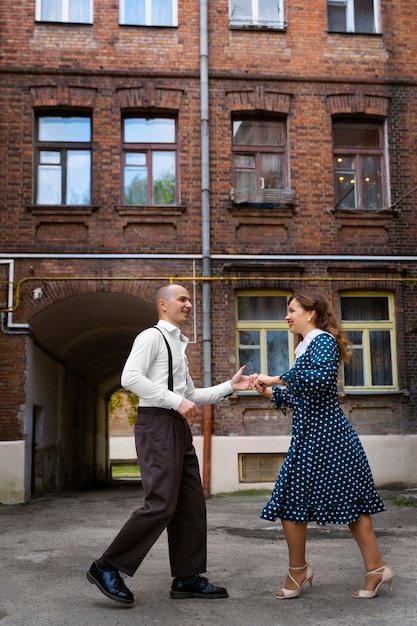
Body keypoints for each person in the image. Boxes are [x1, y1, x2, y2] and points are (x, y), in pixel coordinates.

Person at [87, 283, 252, 605]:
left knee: (191, 502)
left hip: (175, 426)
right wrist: (173, 400)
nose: (188, 304)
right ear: (163, 304)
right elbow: (129, 377)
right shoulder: (152, 337)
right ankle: (106, 566)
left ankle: (188, 577)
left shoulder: (178, 345)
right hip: (157, 424)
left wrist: (229, 387)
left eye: (190, 299)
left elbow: (191, 396)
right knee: (161, 502)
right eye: (182, 299)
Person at [252, 293, 393, 600]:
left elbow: (321, 380)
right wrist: (269, 394)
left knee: (351, 504)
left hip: (331, 437)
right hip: (310, 437)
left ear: (311, 313)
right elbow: (305, 397)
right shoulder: (304, 348)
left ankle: (376, 569)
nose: (287, 316)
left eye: (292, 310)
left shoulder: (323, 341)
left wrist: (275, 378)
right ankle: (299, 569)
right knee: (292, 501)